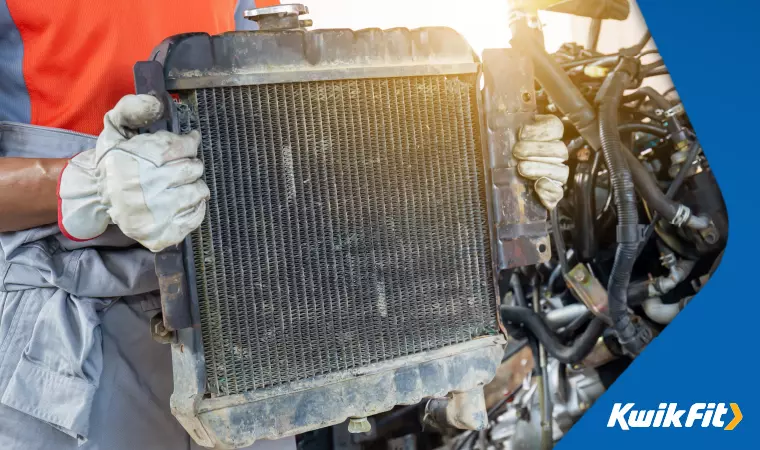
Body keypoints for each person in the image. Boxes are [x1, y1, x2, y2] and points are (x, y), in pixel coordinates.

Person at [0, 0, 568, 448]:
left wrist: (485, 159)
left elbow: (280, 140)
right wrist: (81, 183)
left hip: (247, 340)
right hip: (79, 344)